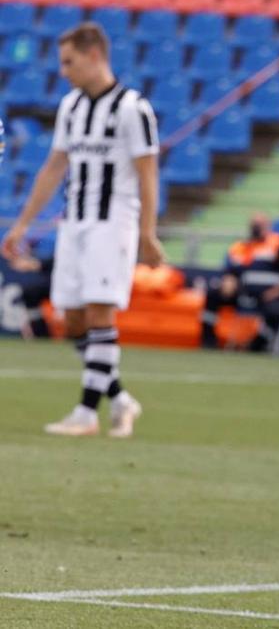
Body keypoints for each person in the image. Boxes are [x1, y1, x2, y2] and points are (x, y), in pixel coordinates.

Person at [1, 22, 165, 438]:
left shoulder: (133, 108)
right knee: (72, 321)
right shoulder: (72, 106)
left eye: (69, 62)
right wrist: (22, 224)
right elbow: (54, 166)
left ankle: (87, 413)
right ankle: (121, 399)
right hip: (75, 221)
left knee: (99, 311)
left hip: (113, 222)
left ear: (94, 55)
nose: (64, 71)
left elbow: (148, 173)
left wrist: (148, 232)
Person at [199, 212, 279, 352]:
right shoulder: (240, 246)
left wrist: (278, 291)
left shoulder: (277, 243)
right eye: (254, 225)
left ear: (268, 226)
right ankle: (208, 341)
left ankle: (256, 345)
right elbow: (231, 271)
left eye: (260, 224)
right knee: (213, 295)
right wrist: (229, 281)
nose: (256, 228)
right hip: (243, 291)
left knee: (276, 311)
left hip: (269, 293)